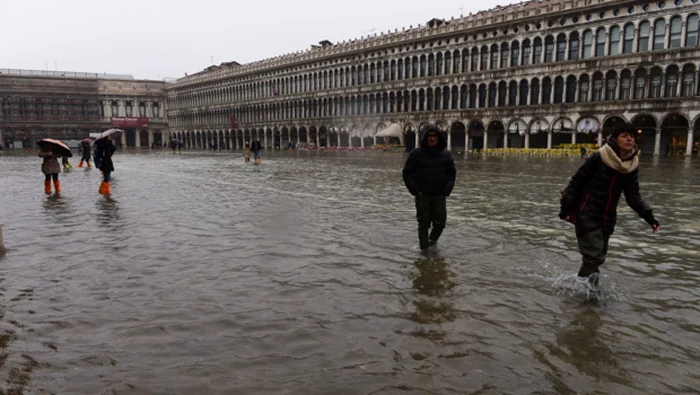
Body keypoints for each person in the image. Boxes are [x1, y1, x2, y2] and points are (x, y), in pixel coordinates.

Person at [559, 124, 660, 286]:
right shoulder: (599, 157)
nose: (629, 139)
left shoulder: (631, 165)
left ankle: (580, 288)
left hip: (607, 217)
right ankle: (589, 298)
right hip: (587, 212)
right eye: (624, 135)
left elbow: (633, 196)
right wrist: (565, 209)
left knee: (599, 256)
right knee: (594, 256)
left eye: (632, 136)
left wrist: (649, 217)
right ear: (614, 139)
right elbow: (576, 182)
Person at [402, 124, 456, 250]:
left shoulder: (446, 155)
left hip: (439, 195)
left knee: (440, 223)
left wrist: (447, 190)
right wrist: (416, 191)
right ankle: (424, 254)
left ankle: (432, 241)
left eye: (435, 136)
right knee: (423, 224)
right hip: (422, 195)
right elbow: (406, 173)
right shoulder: (416, 154)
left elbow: (452, 174)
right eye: (429, 136)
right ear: (425, 137)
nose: (432, 138)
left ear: (439, 137)